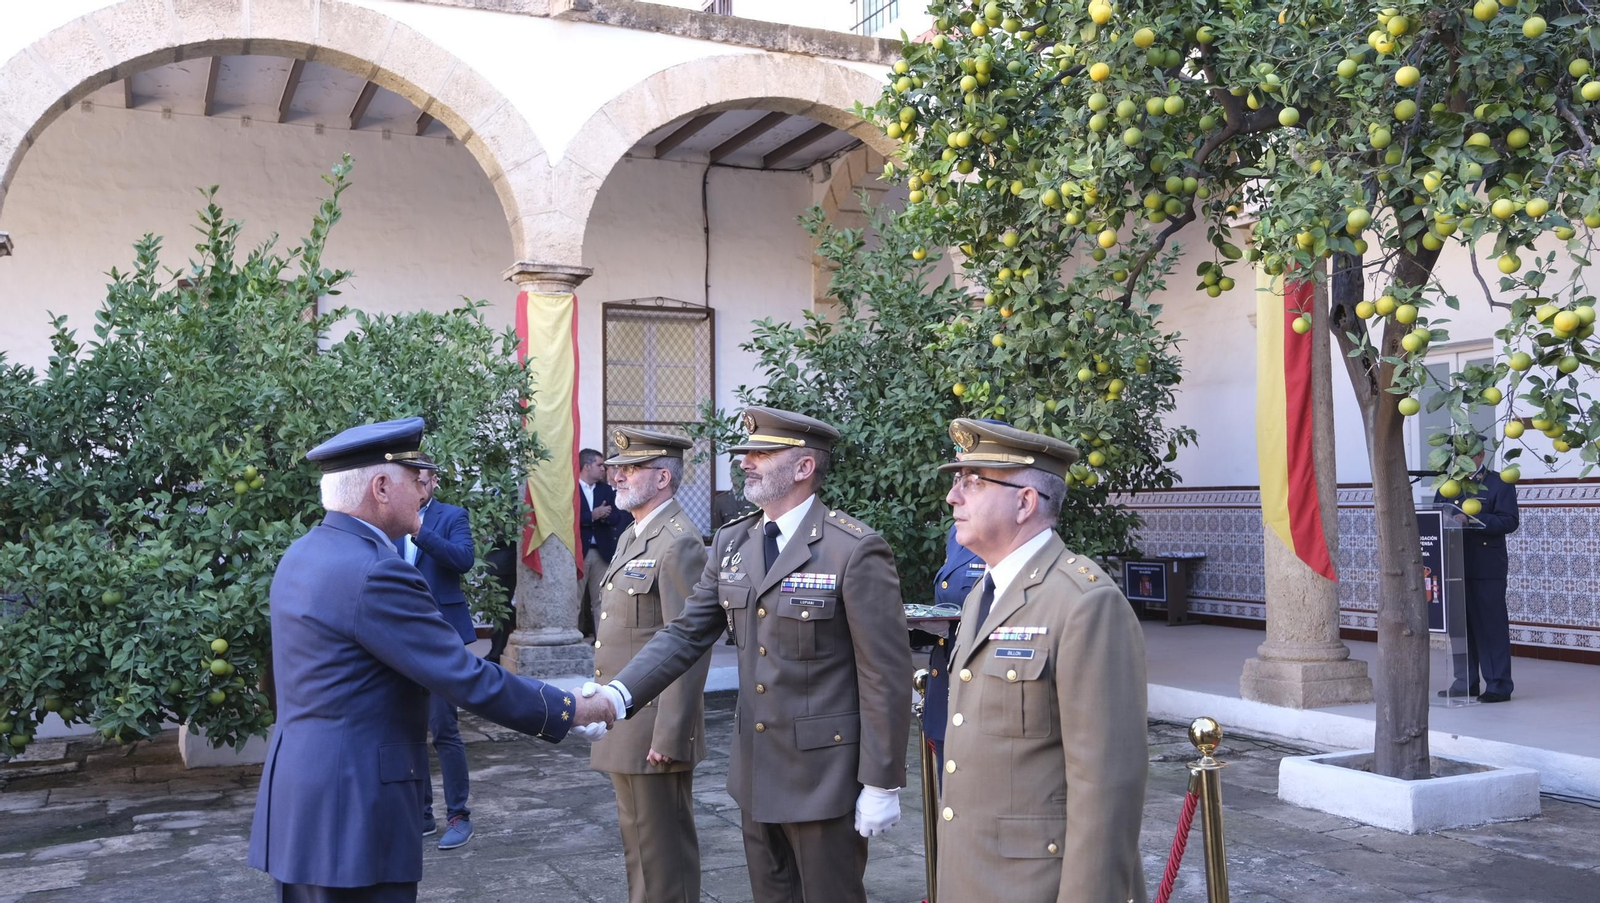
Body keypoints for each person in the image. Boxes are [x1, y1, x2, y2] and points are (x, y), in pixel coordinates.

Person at [247, 417, 614, 903]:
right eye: (413, 480)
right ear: (380, 487)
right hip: (355, 811)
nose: (422, 493)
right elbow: (463, 676)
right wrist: (569, 709)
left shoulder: (302, 553)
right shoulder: (376, 572)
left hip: (300, 802)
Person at [586, 407, 912, 903]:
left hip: (823, 776)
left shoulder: (853, 549)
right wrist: (617, 695)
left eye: (763, 453)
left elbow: (884, 675)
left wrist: (883, 781)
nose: (746, 463)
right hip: (755, 772)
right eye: (746, 454)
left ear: (804, 468)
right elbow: (685, 634)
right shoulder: (734, 542)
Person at [934, 418, 1148, 903]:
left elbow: (1106, 786)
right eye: (956, 481)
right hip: (973, 873)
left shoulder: (1085, 603)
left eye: (972, 482)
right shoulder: (981, 595)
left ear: (1025, 502)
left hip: (1035, 885)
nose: (953, 497)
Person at [590, 428, 714, 903]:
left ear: (663, 477)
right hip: (627, 719)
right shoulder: (633, 535)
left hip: (653, 730)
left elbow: (688, 641)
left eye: (630, 468)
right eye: (617, 467)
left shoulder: (679, 543)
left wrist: (670, 732)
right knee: (640, 848)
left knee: (660, 856)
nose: (617, 475)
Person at [395, 459, 479, 850]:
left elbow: (463, 559)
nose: (417, 488)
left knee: (444, 728)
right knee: (408, 730)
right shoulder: (390, 517)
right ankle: (422, 813)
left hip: (442, 636)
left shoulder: (451, 516)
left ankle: (458, 815)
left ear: (434, 482)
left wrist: (420, 531)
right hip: (399, 639)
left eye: (422, 482)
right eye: (411, 482)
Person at [1435, 446, 1519, 703]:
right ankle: (1465, 681)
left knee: (1490, 627)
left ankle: (1498, 685)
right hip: (1453, 566)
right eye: (1458, 456)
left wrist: (1472, 519)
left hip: (1485, 567)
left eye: (1468, 455)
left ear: (1481, 456)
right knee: (1460, 628)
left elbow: (1509, 521)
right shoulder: (1449, 484)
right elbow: (1438, 514)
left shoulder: (1498, 483)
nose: (1462, 460)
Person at [925, 525, 984, 782]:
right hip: (946, 676)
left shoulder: (1011, 532)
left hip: (981, 687)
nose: (953, 496)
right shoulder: (957, 531)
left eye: (968, 483)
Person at [578, 447, 627, 637]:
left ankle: (603, 645)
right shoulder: (571, 489)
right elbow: (568, 518)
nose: (603, 469)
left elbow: (617, 517)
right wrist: (591, 516)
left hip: (601, 553)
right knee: (574, 600)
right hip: (579, 552)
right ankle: (571, 645)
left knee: (601, 601)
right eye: (599, 465)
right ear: (587, 466)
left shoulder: (606, 490)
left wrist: (604, 515)